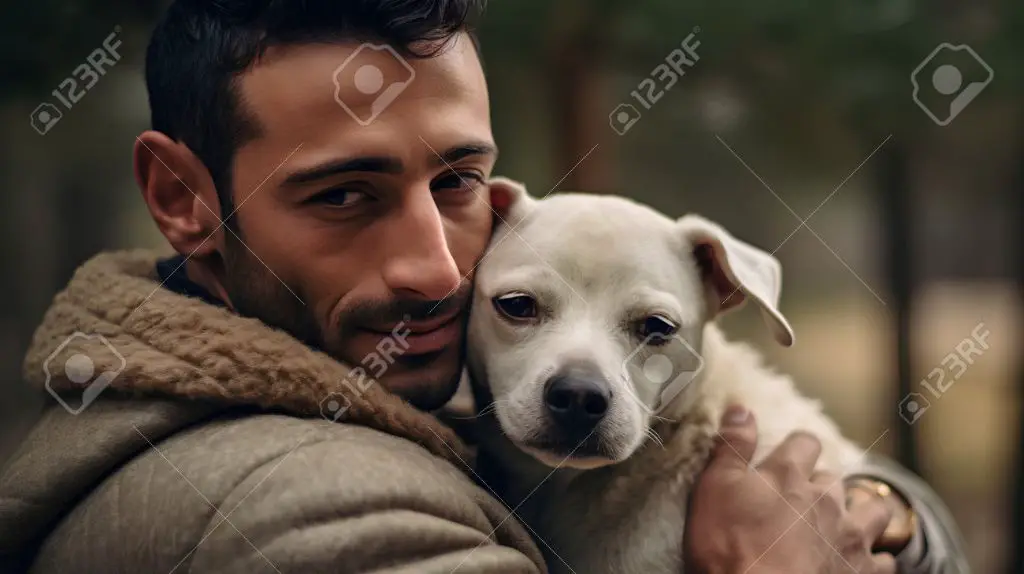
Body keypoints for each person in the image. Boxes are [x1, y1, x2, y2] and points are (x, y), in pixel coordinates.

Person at [0, 1, 969, 572]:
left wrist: (884, 512)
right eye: (343, 194)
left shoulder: (375, 393)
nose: (438, 266)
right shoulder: (316, 508)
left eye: (457, 182)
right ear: (181, 198)